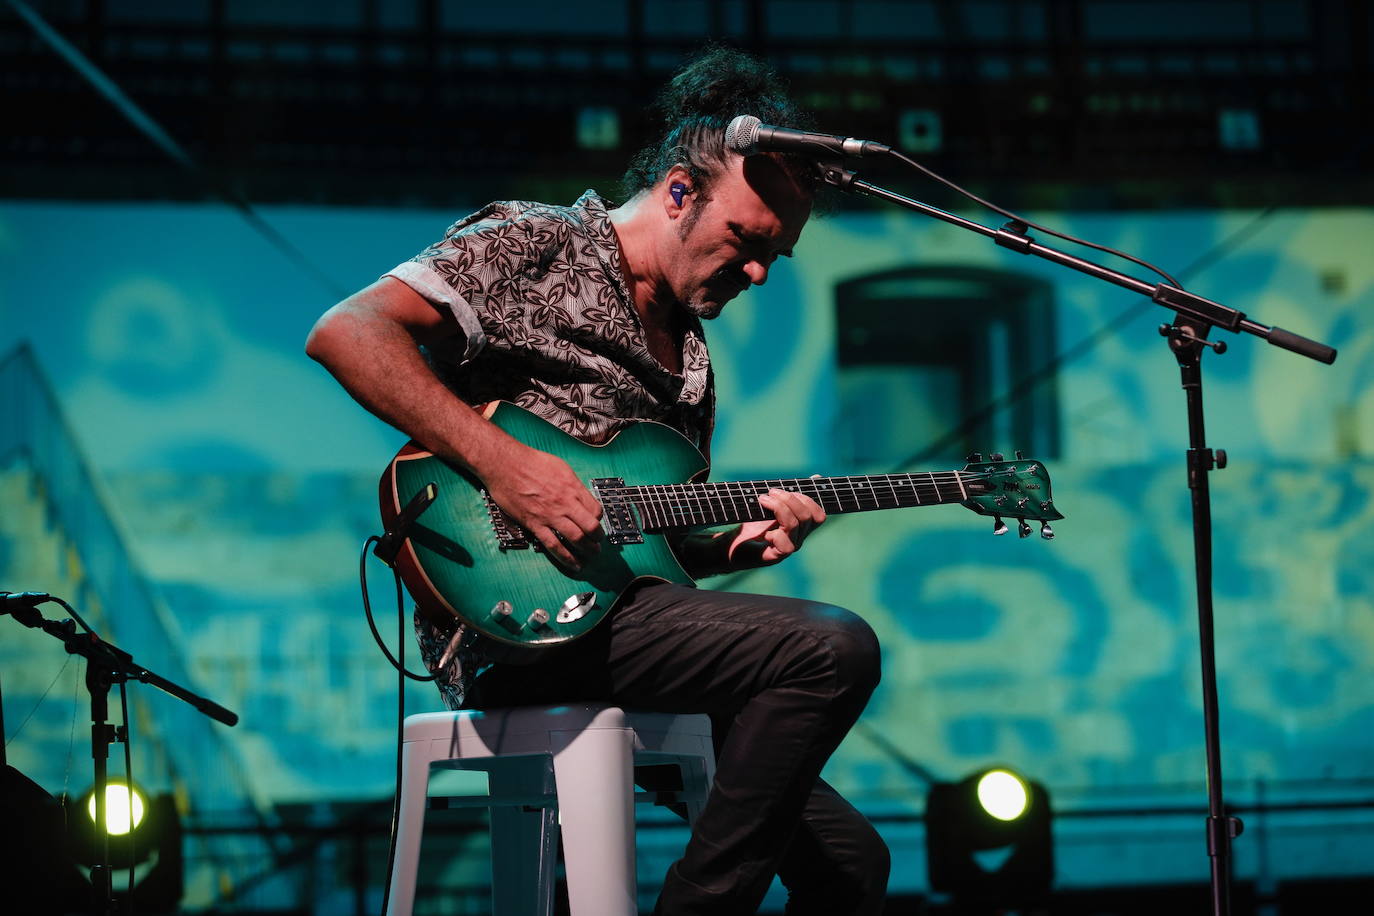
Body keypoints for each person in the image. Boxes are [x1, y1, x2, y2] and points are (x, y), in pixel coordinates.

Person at [306, 47, 888, 915]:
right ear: (680, 193)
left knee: (853, 867)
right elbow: (346, 331)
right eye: (748, 241)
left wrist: (734, 547)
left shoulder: (692, 360)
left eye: (779, 257)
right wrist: (508, 467)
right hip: (514, 631)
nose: (760, 272)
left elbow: (649, 540)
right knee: (833, 647)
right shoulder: (539, 243)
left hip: (625, 626)